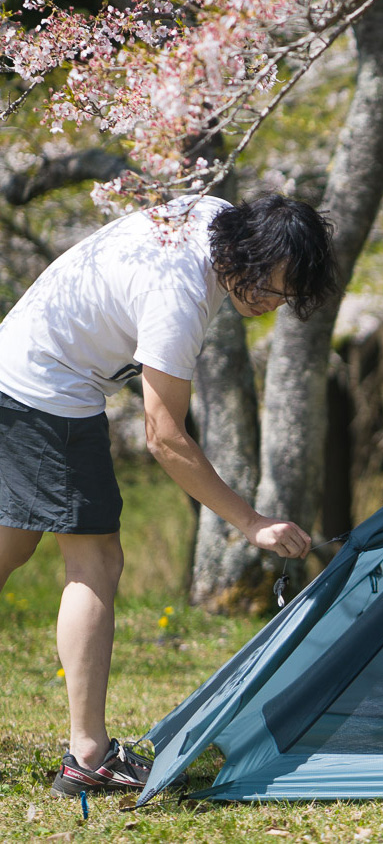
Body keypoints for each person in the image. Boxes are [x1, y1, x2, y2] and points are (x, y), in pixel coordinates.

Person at [0, 192, 337, 798]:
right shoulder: (178, 298)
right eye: (269, 287)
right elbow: (164, 437)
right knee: (96, 560)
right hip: (47, 389)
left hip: (15, 365)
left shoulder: (214, 215)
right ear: (246, 254)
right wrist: (251, 521)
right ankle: (88, 756)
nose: (269, 304)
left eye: (285, 297)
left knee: (10, 548)